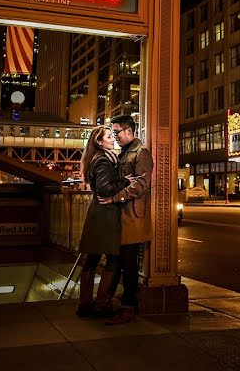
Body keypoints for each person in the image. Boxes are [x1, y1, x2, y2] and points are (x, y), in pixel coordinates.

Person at [97, 115, 152, 325]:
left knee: (128, 262)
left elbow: (141, 185)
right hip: (121, 214)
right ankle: (112, 302)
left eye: (117, 131)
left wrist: (115, 196)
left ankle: (128, 307)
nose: (115, 136)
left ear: (128, 130)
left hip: (133, 216)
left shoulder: (141, 152)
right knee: (119, 260)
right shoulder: (124, 153)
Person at [76, 126, 128, 318]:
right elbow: (105, 188)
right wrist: (125, 181)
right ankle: (101, 304)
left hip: (97, 214)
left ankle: (84, 304)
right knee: (113, 259)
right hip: (105, 214)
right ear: (99, 142)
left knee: (92, 259)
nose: (112, 138)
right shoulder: (104, 160)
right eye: (108, 136)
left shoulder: (95, 158)